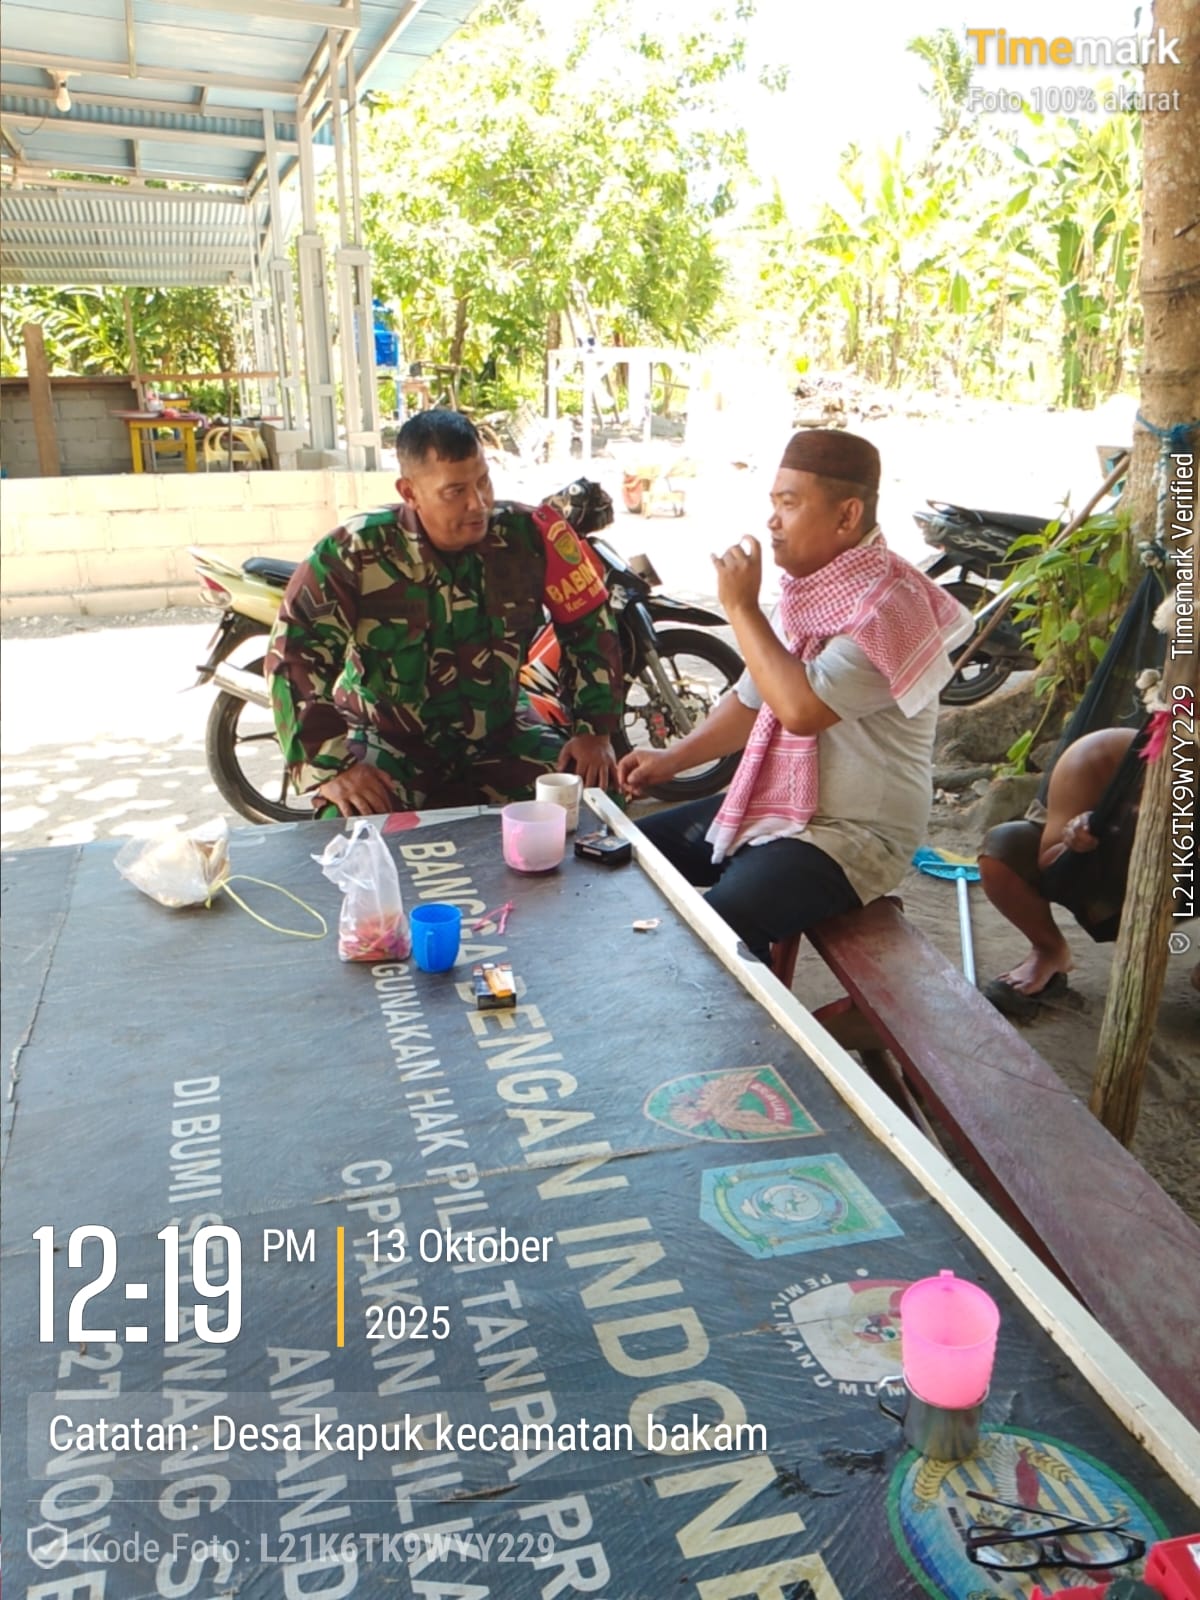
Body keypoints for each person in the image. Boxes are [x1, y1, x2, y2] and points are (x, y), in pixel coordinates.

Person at [618, 430, 973, 964]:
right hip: (781, 805)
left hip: (852, 835)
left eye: (789, 504)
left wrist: (741, 610)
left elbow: (800, 710)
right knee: (626, 854)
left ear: (847, 516)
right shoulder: (812, 590)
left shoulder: (886, 609)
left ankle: (740, 1017)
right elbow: (752, 702)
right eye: (773, 503)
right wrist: (670, 761)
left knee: (721, 925)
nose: (772, 522)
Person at [267, 409, 622, 817]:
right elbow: (293, 655)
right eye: (455, 491)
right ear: (410, 492)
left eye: (483, 481)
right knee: (346, 825)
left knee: (596, 804)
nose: (478, 503)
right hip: (389, 739)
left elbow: (591, 626)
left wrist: (594, 731)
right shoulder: (356, 550)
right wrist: (332, 765)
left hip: (500, 734)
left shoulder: (531, 536)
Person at [978, 726, 1142, 1018]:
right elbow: (1050, 862)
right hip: (1105, 874)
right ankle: (1049, 950)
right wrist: (1077, 839)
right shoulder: (1096, 756)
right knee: (1004, 847)